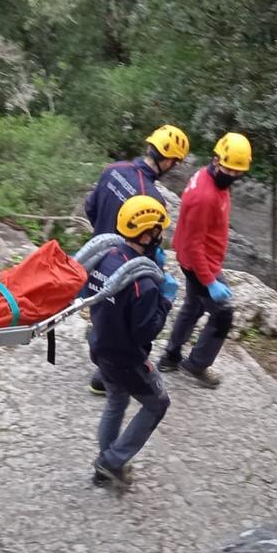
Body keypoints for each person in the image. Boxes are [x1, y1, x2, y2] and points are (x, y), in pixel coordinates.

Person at [84, 124, 189, 395]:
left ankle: (100, 353)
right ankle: (107, 376)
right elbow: (149, 244)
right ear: (167, 160)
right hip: (126, 266)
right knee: (126, 322)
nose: (173, 167)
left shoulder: (112, 169)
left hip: (99, 257)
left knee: (102, 311)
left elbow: (90, 206)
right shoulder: (151, 198)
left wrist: (104, 232)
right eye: (175, 163)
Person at [88, 195, 178, 487]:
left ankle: (106, 466)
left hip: (101, 346)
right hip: (126, 359)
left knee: (116, 400)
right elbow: (146, 331)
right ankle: (111, 461)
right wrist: (165, 299)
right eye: (158, 231)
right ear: (147, 233)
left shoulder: (106, 257)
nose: (161, 237)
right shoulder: (145, 285)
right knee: (157, 403)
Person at [159, 131, 252, 388]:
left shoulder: (210, 178)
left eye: (237, 172)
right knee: (223, 315)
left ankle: (170, 356)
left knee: (193, 307)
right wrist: (210, 281)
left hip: (197, 259)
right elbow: (194, 243)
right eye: (228, 169)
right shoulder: (204, 196)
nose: (232, 176)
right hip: (199, 263)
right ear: (215, 160)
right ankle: (197, 364)